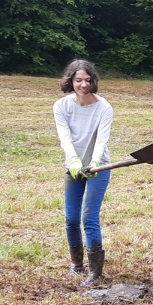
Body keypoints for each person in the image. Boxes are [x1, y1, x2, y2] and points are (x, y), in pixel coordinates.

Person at [53, 59, 113, 287]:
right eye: (78, 80)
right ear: (71, 81)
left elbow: (101, 139)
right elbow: (65, 138)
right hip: (74, 167)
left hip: (99, 167)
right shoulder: (61, 106)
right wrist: (75, 161)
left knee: (89, 218)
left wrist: (94, 162)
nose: (83, 85)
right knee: (71, 219)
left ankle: (95, 272)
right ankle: (76, 265)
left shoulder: (104, 107)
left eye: (88, 80)